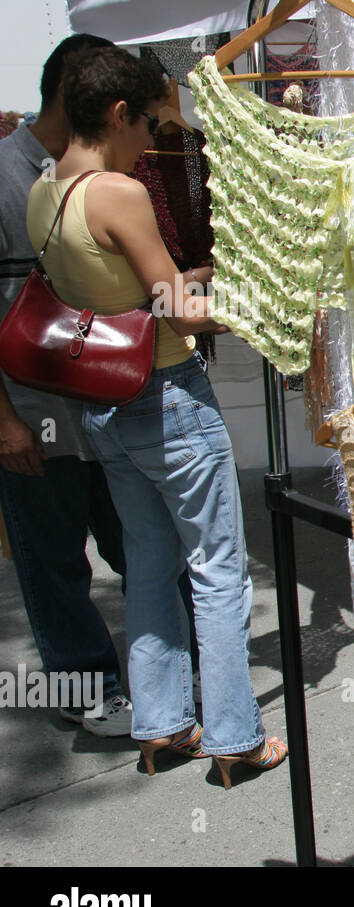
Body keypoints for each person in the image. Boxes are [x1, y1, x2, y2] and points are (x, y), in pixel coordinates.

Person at [26, 46, 286, 785]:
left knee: (146, 565)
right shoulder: (119, 192)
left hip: (105, 402)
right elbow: (180, 312)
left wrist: (184, 283)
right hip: (167, 397)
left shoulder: (48, 189)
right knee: (218, 569)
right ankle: (235, 738)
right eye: (148, 122)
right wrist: (263, 308)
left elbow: (121, 286)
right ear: (116, 114)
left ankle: (161, 725)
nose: (153, 140)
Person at [0, 33, 131, 736]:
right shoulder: (3, 173)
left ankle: (165, 676)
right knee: (53, 565)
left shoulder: (93, 172)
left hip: (105, 407)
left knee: (137, 543)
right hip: (31, 413)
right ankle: (88, 692)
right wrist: (5, 422)